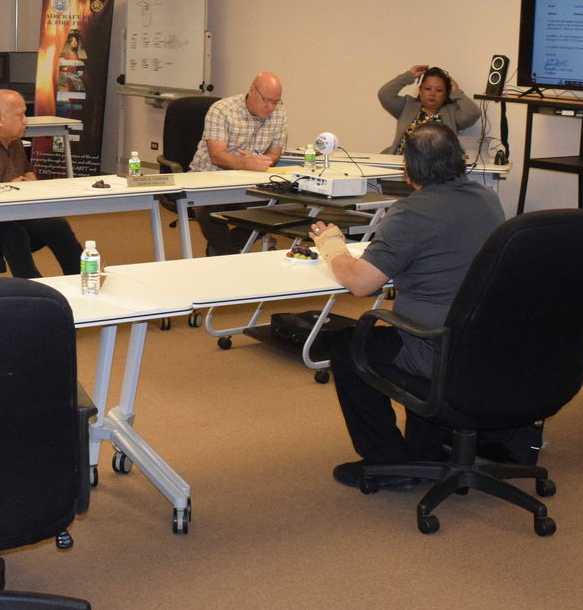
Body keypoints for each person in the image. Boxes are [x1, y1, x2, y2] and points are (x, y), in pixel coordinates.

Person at [310, 123, 505, 489]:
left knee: (348, 347)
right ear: (459, 160)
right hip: (488, 344)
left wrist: (332, 247)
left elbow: (361, 284)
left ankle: (389, 462)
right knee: (417, 333)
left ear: (409, 169)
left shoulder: (411, 213)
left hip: (435, 347)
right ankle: (425, 450)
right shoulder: (487, 199)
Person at [0, 89, 82, 279]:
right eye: (21, 115)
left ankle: (80, 278)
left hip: (14, 209)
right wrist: (10, 186)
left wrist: (30, 179)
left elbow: (26, 169)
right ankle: (33, 286)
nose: (26, 120)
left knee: (57, 225)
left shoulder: (13, 139)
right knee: (13, 233)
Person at [186, 72, 288, 255]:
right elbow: (217, 156)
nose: (270, 107)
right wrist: (245, 163)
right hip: (209, 177)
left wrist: (264, 161)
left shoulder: (279, 115)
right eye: (266, 100)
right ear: (252, 90)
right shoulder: (222, 110)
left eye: (276, 102)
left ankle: (223, 250)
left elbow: (275, 154)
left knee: (276, 209)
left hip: (248, 182)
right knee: (207, 212)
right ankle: (228, 255)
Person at [377, 65, 480, 154]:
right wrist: (409, 76)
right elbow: (384, 95)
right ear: (420, 90)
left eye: (439, 90)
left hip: (438, 168)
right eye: (427, 89)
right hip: (402, 164)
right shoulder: (407, 106)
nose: (432, 94)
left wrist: (456, 92)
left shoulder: (452, 113)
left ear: (446, 94)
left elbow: (473, 113)